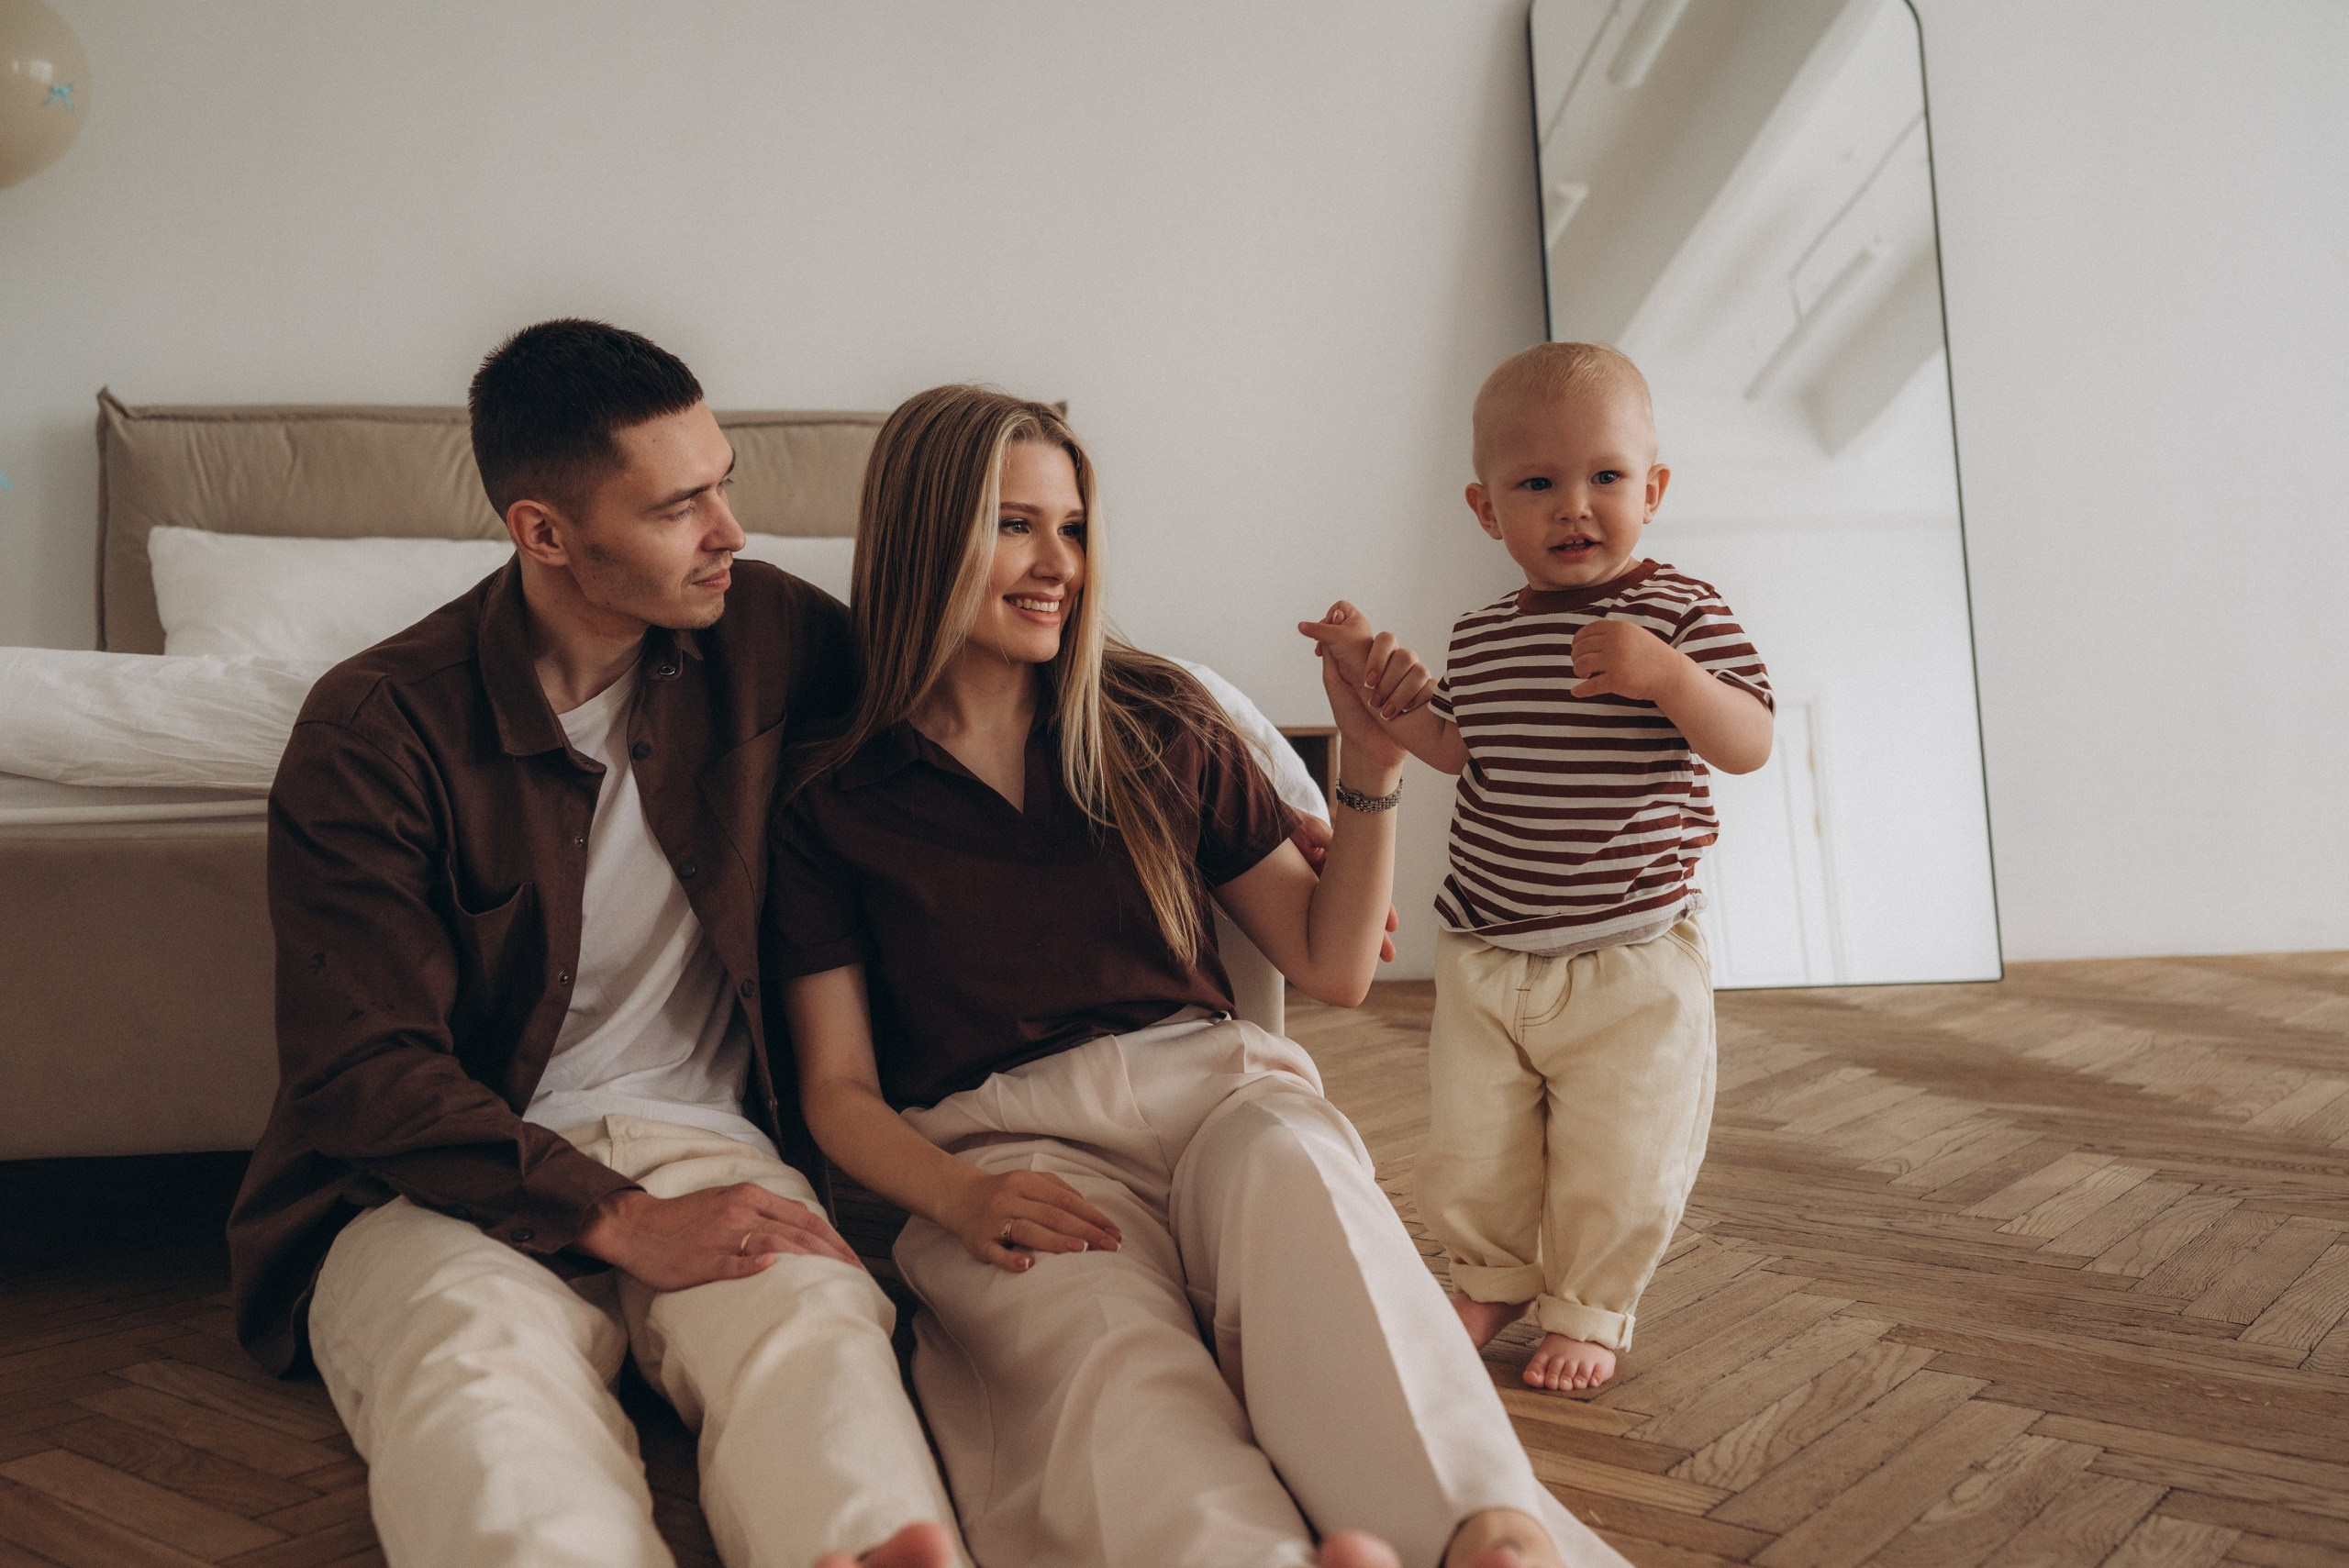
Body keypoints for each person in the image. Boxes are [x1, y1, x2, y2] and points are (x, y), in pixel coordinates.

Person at [769, 384, 1630, 1568]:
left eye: (1070, 528)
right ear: (925, 534)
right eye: (1013, 524)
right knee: (1112, 1376)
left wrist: (1371, 770)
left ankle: (1482, 1533)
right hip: (1014, 1154)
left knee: (1309, 1190)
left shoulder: (1152, 717)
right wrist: (960, 1197)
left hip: (1219, 1092)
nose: (1055, 563)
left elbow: (1330, 965)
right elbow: (837, 1090)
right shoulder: (830, 796)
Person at [227, 320, 964, 1568]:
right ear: (546, 532)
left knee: (821, 1333)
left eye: (723, 481)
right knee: (477, 1386)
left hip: (706, 1139)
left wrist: (1256, 814)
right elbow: (361, 1071)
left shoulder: (771, 634)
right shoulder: (374, 728)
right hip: (427, 1177)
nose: (731, 530)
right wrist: (615, 1218)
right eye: (682, 506)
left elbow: (968, 713)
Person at [1298, 341, 1774, 1394]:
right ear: (1486, 509)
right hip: (1487, 944)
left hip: (1630, 953)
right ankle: (1492, 1274)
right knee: (1475, 1143)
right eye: (1536, 483)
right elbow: (1453, 745)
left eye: (1605, 477)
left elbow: (1748, 741)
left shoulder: (1680, 612)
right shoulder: (1481, 634)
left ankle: (1591, 1306)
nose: (1574, 506)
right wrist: (1370, 673)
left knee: (1623, 1149)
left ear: (1651, 490)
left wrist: (1668, 677)